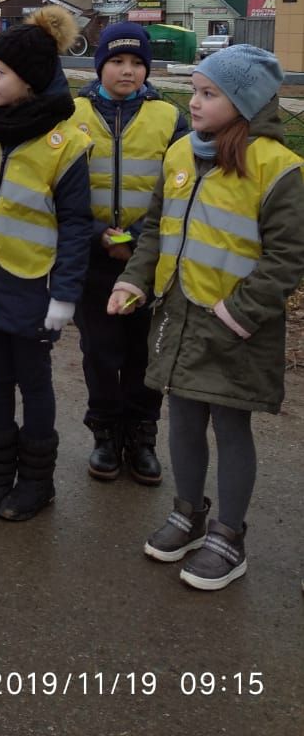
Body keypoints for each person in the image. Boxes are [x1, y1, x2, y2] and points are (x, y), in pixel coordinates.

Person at [108, 45, 304, 590]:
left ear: (243, 102)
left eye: (208, 94)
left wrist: (237, 313)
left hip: (237, 324)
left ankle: (229, 535)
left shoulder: (279, 169)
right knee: (184, 417)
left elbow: (287, 258)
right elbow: (154, 230)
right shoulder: (178, 156)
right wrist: (132, 281)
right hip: (179, 312)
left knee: (231, 424)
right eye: (193, 91)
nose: (193, 103)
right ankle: (188, 512)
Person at [0, 6, 92, 522]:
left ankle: (36, 481)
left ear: (30, 80)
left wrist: (66, 294)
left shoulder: (65, 144)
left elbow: (76, 225)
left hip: (35, 284)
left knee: (33, 381)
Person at [69, 24, 187, 485]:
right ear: (99, 66)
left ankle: (141, 434)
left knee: (143, 351)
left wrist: (137, 238)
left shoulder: (168, 117)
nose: (128, 71)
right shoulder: (72, 113)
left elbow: (179, 187)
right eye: (118, 61)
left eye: (137, 63)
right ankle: (104, 433)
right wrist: (99, 233)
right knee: (99, 350)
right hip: (91, 254)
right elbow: (60, 185)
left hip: (148, 258)